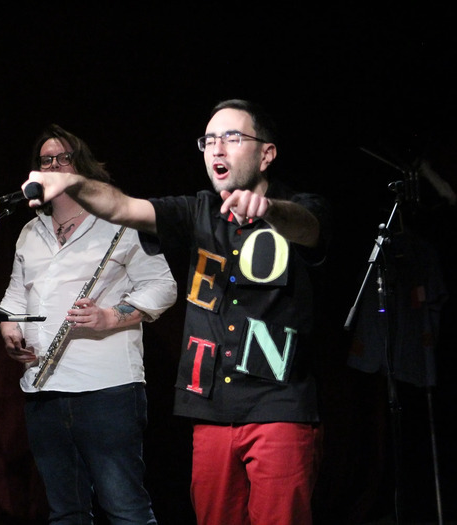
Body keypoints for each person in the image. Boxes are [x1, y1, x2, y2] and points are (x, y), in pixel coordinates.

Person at [22, 100, 332, 525]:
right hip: (209, 408)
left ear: (267, 153)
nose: (217, 148)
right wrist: (72, 181)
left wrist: (269, 210)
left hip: (278, 405)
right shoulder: (197, 210)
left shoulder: (301, 206)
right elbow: (120, 206)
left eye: (232, 137)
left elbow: (307, 227)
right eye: (209, 140)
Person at [0, 123, 177, 525]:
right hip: (42, 390)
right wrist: (9, 329)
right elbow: (14, 296)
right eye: (47, 161)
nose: (56, 165)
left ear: (83, 166)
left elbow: (163, 287)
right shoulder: (30, 231)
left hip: (106, 390)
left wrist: (109, 317)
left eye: (65, 158)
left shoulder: (120, 223)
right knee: (65, 513)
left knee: (126, 510)